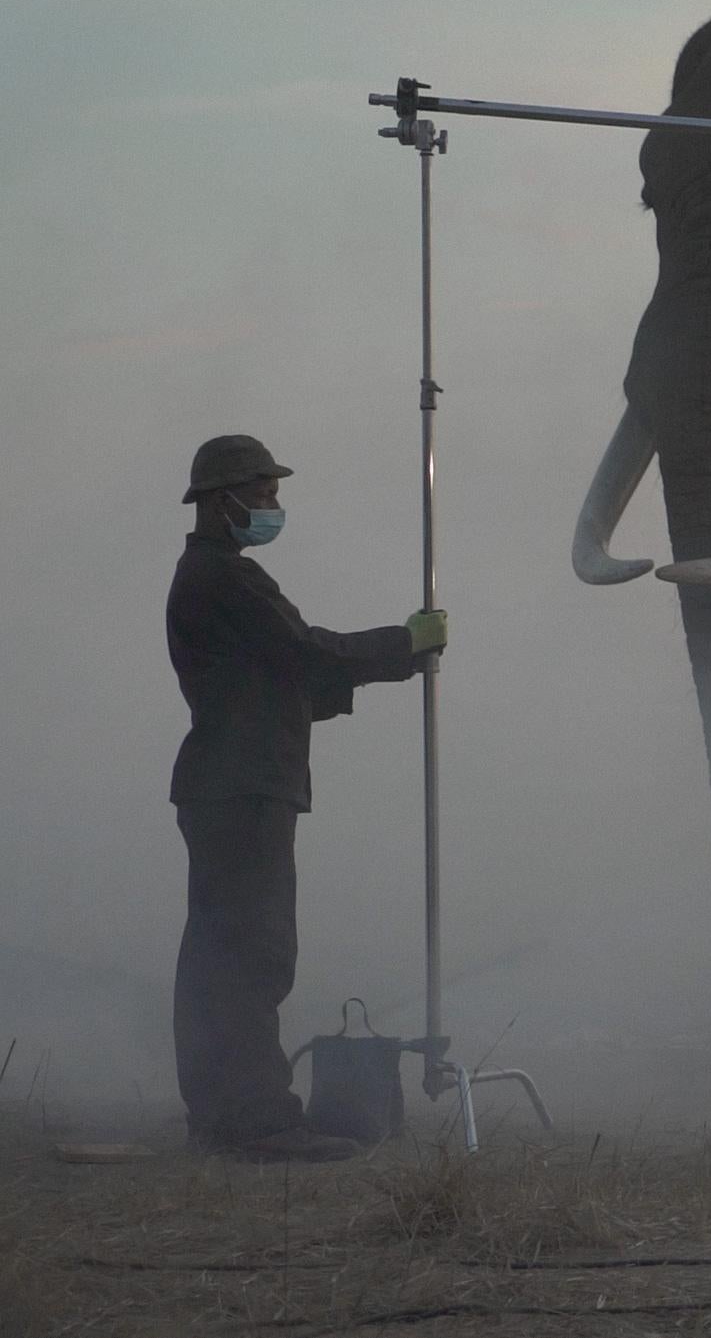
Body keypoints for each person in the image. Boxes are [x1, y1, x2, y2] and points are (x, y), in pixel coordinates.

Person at [167, 434, 445, 1161]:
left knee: (226, 950)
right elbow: (304, 652)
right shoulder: (228, 579)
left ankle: (226, 1114)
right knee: (249, 952)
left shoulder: (212, 578)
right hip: (241, 786)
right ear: (221, 499)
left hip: (233, 785)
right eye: (264, 494)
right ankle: (254, 1121)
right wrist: (402, 644)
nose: (274, 505)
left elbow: (287, 682)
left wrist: (395, 660)